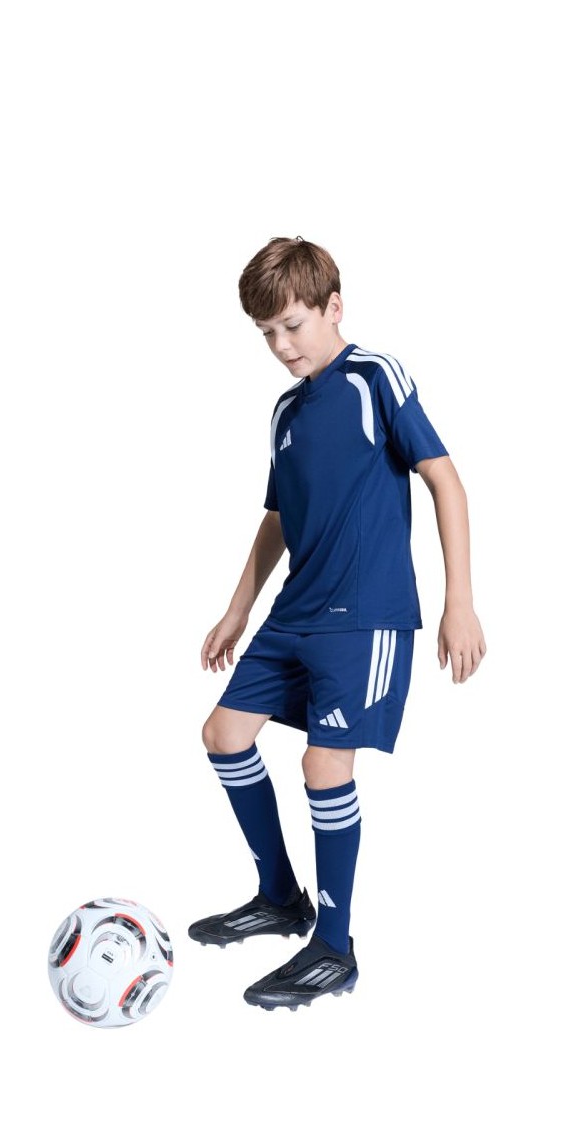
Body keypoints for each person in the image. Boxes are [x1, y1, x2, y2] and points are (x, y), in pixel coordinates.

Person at [190, 236, 486, 1012]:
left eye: (292, 325)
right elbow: (278, 517)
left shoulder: (373, 376)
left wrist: (459, 600)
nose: (281, 346)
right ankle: (279, 897)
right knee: (224, 734)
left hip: (365, 617)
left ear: (333, 308)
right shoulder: (286, 411)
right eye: (267, 333)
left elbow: (445, 480)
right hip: (295, 613)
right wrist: (237, 608)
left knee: (325, 767)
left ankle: (334, 945)